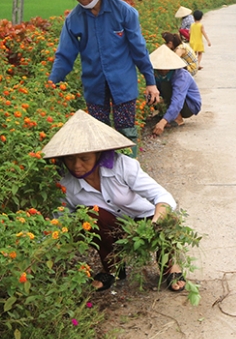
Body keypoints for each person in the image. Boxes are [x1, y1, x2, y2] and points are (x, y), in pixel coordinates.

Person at [42, 110, 186, 292]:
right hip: (112, 227)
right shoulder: (66, 186)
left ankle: (170, 266)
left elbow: (163, 197)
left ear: (98, 154)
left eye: (84, 158)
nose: (77, 165)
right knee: (90, 215)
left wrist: (155, 224)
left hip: (145, 220)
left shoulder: (122, 166)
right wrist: (38, 249)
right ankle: (113, 268)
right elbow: (59, 221)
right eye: (70, 159)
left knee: (167, 220)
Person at [48, 0, 160, 156]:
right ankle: (105, 172)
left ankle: (128, 170)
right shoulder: (73, 20)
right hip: (94, 84)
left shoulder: (124, 12)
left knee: (126, 130)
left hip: (122, 82)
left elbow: (138, 49)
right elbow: (64, 56)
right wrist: (51, 83)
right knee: (98, 133)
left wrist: (150, 82)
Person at [149, 45, 202, 136]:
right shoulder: (158, 74)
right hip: (177, 101)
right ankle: (169, 115)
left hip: (189, 106)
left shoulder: (181, 75)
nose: (161, 70)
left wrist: (163, 122)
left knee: (165, 85)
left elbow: (177, 101)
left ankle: (178, 119)